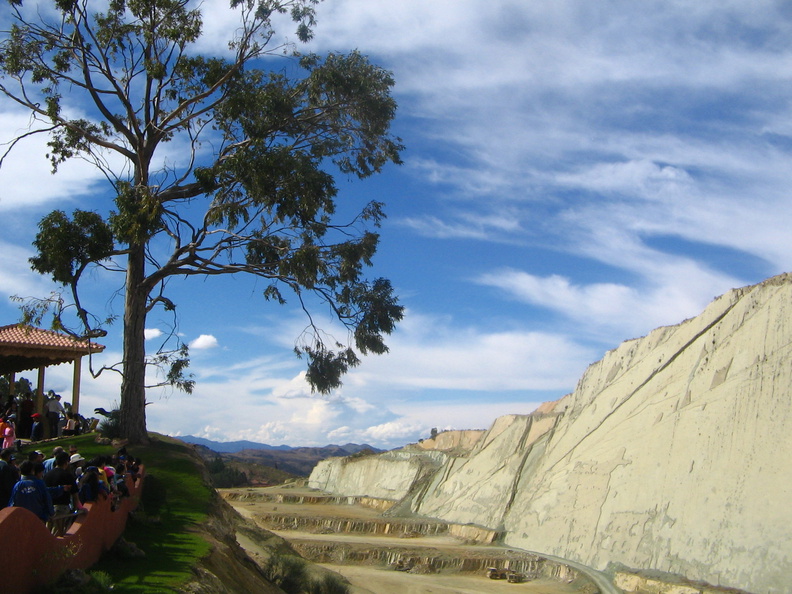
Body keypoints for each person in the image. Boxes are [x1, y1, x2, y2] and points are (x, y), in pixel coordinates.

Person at [44, 451, 81, 535]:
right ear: (66, 462)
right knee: (58, 533)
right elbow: (75, 495)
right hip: (62, 507)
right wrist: (74, 509)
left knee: (47, 532)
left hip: (49, 507)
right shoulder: (67, 475)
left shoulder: (47, 475)